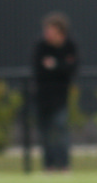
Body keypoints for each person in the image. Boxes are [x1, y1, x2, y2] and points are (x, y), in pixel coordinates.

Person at [32, 12, 78, 172]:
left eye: (51, 30)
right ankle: (48, 165)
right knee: (45, 134)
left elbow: (72, 69)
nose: (47, 34)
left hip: (61, 98)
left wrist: (55, 65)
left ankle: (64, 164)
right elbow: (38, 70)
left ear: (60, 32)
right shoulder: (41, 46)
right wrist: (59, 67)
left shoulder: (70, 46)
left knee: (61, 129)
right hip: (43, 98)